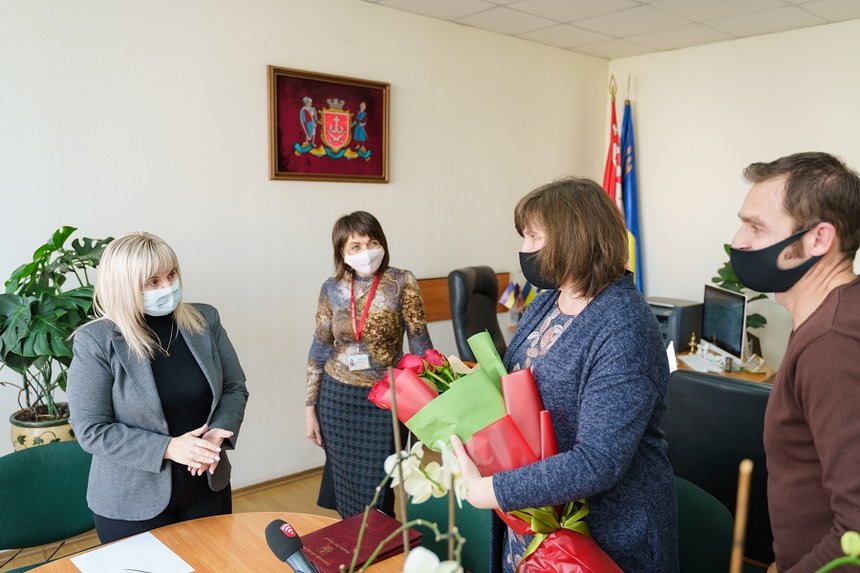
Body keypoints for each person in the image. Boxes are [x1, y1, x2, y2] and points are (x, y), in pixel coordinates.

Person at [451, 177, 679, 573]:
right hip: (536, 515)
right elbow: (517, 382)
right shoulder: (548, 301)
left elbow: (597, 460)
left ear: (574, 238)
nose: (524, 250)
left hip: (605, 536)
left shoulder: (624, 327)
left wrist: (490, 490)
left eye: (533, 237)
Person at [67, 232, 249, 543]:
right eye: (153, 281)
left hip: (206, 483)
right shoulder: (97, 341)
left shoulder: (205, 319)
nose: (168, 287)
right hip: (131, 499)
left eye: (172, 274)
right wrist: (169, 447)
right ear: (124, 286)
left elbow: (234, 387)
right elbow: (90, 429)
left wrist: (220, 431)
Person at [729, 152, 860, 573]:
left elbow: (856, 533)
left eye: (756, 227)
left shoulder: (832, 343)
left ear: (819, 239)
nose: (738, 241)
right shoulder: (828, 316)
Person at [305, 211, 432, 518]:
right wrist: (310, 407)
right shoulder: (331, 288)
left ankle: (377, 555)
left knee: (379, 491)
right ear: (342, 253)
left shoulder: (402, 281)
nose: (366, 253)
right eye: (356, 247)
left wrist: (428, 403)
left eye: (372, 243)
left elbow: (420, 344)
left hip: (385, 399)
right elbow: (320, 348)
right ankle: (353, 554)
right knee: (346, 488)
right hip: (337, 399)